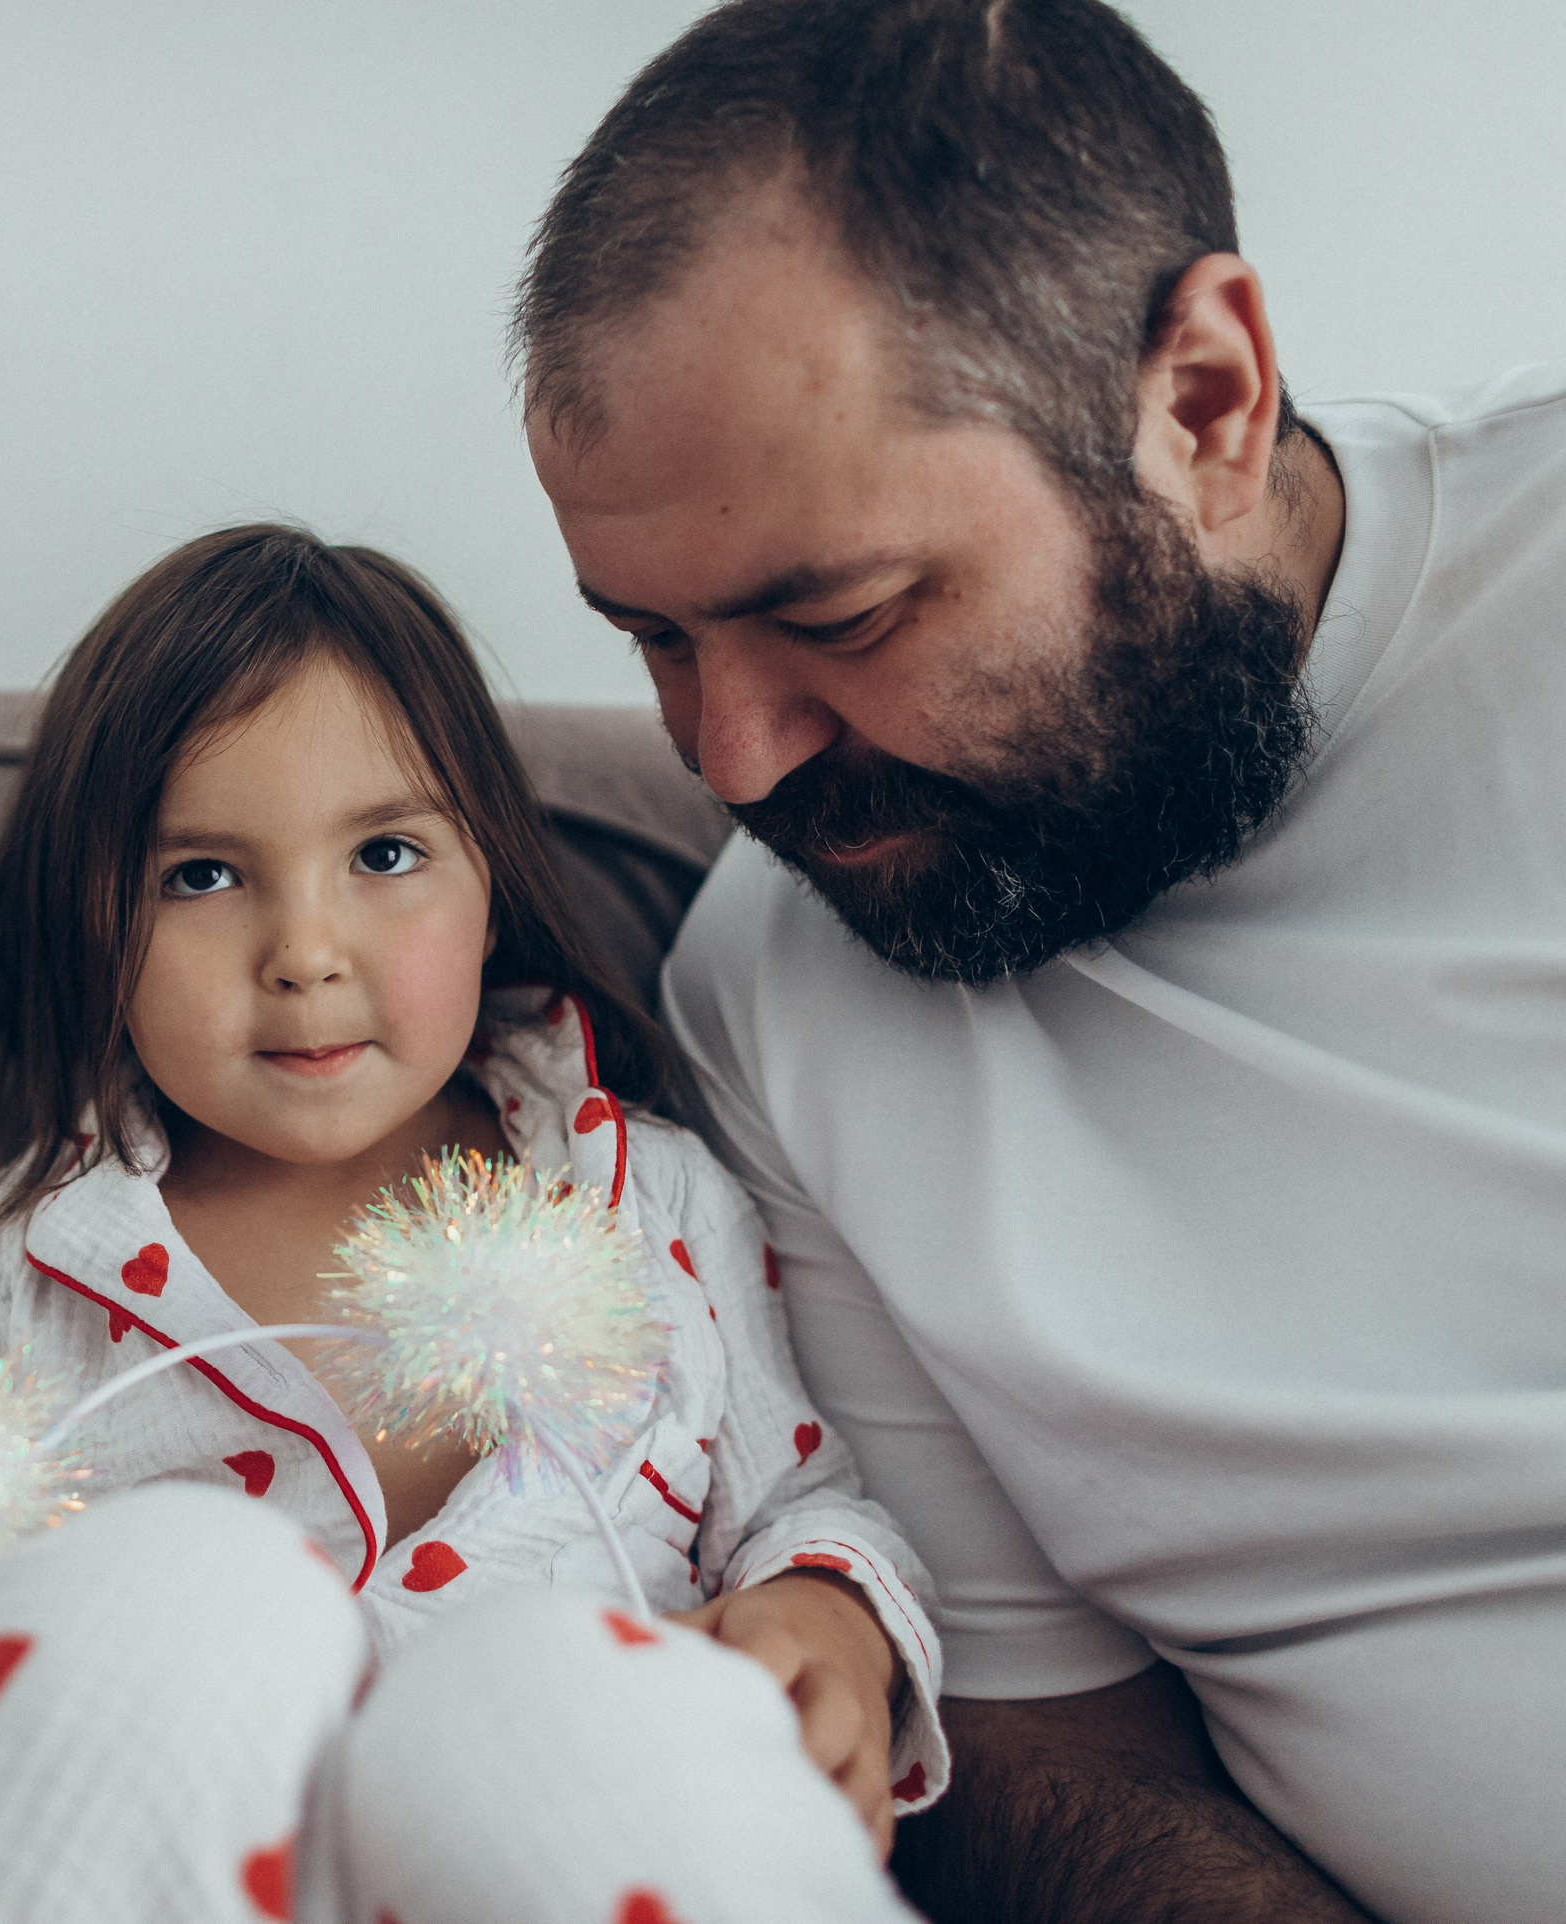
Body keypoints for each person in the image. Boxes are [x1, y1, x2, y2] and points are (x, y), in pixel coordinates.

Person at [517, 3, 1566, 1921]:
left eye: (835, 613)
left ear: (1203, 404)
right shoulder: (775, 983)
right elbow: (1045, 1735)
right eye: (653, 640)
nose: (733, 759)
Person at [0, 525, 947, 1923]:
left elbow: (799, 1510)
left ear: (489, 877)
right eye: (199, 876)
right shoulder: (31, 1282)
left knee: (557, 1695)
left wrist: (831, 1621)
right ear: (94, 926)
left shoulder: (651, 1204)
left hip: (552, 1857)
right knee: (179, 1588)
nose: (305, 953)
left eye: (384, 853)